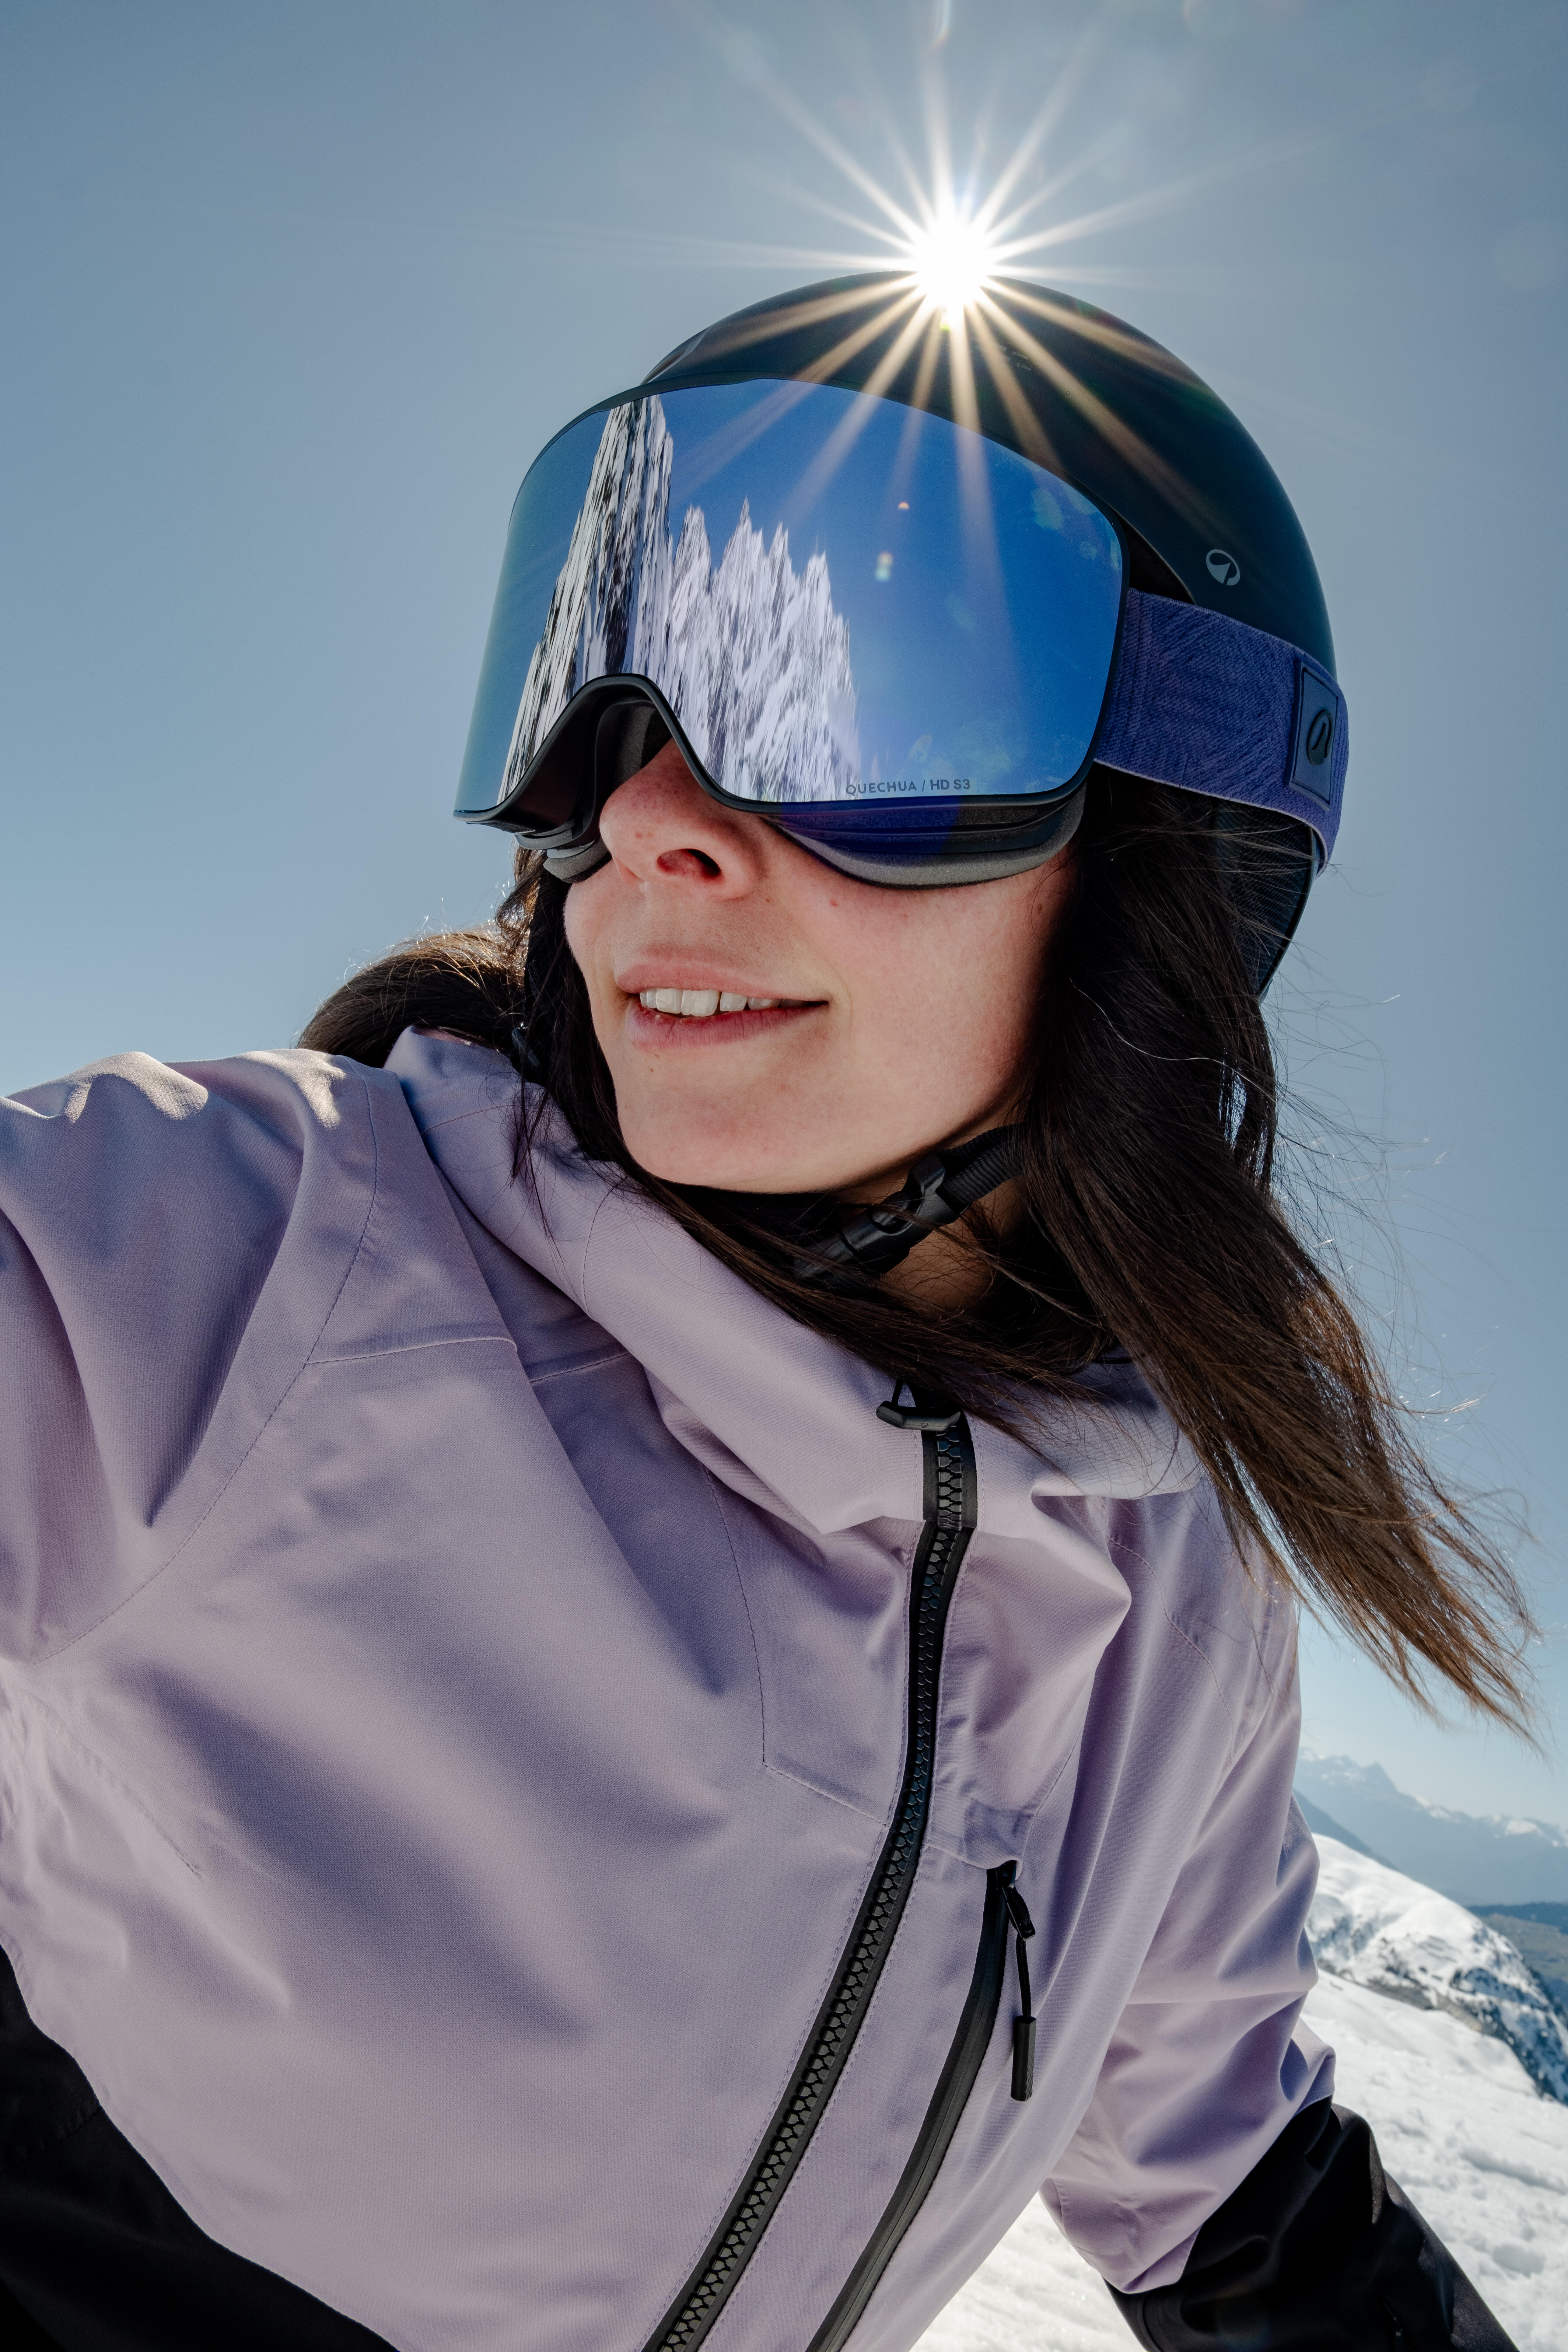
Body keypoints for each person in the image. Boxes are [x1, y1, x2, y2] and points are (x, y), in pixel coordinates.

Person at [0, 274, 1529, 2352]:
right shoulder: (240, 1250)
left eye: (845, 689)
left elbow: (1228, 2180)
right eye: (594, 691)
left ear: (1175, 859)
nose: (640, 813)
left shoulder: (1177, 1581)